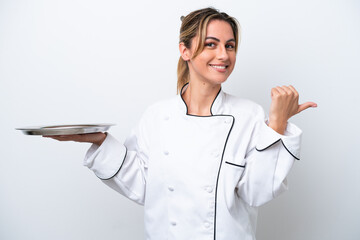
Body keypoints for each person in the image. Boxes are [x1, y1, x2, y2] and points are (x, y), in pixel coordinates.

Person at [46, 7, 317, 240]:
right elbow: (144, 185)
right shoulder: (157, 115)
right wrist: (100, 141)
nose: (223, 55)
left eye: (230, 45)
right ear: (184, 50)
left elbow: (256, 193)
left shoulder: (248, 115)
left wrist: (277, 125)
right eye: (211, 44)